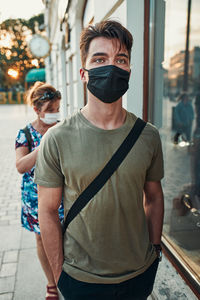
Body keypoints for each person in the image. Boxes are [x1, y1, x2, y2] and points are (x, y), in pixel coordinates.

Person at [35, 20, 164, 300]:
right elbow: (46, 211)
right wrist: (59, 275)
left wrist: (155, 251)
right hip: (80, 279)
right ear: (84, 73)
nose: (112, 67)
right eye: (100, 59)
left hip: (139, 274)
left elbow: (153, 197)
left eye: (121, 59)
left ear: (129, 70)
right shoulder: (56, 139)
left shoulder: (149, 136)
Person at [15, 81, 64, 300]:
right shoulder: (24, 133)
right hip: (34, 198)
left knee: (63, 236)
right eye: (50, 111)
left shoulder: (62, 129)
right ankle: (51, 283)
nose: (55, 114)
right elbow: (20, 166)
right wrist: (44, 143)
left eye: (57, 110)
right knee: (41, 239)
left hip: (62, 195)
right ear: (37, 110)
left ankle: (65, 276)